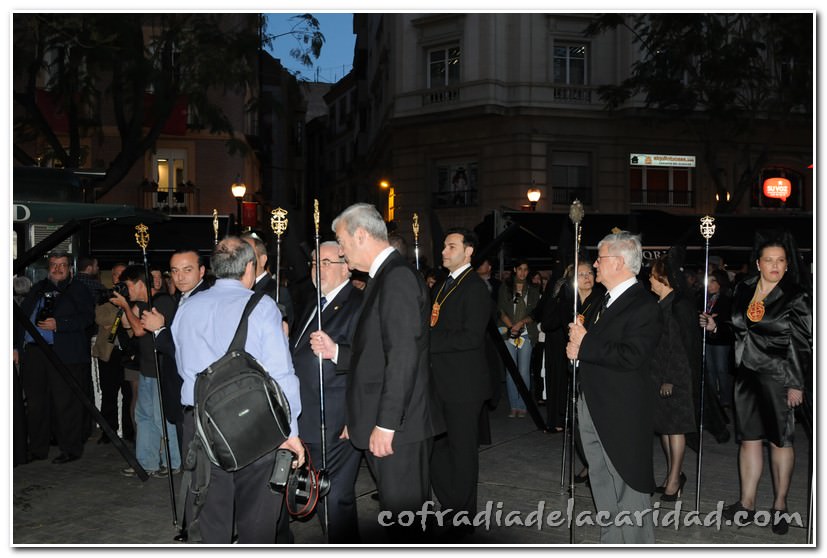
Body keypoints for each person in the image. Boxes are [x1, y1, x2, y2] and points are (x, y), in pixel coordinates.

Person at [310, 203, 444, 543]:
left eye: (341, 242)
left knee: (406, 523)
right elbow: (375, 356)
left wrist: (386, 423)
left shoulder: (396, 277)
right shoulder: (381, 277)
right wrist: (358, 415)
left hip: (400, 427)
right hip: (388, 422)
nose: (341, 252)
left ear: (360, 235)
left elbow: (402, 356)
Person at [172, 236, 305, 544]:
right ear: (249, 268)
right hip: (254, 423)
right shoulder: (262, 306)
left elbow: (183, 368)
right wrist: (291, 432)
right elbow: (281, 373)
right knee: (257, 517)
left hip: (201, 423)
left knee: (210, 516)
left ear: (213, 269)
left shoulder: (187, 308)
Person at [702, 232, 811, 535]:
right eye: (769, 260)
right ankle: (746, 503)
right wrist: (716, 327)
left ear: (787, 265)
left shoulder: (796, 296)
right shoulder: (744, 288)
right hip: (746, 376)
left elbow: (802, 344)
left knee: (780, 441)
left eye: (781, 261)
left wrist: (796, 383)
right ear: (759, 264)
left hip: (779, 377)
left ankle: (780, 506)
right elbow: (739, 329)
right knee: (749, 440)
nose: (775, 266)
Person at [566, 231, 662, 544]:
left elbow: (632, 356)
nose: (595, 264)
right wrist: (577, 353)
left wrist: (585, 344)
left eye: (600, 258)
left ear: (619, 262)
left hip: (621, 411)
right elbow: (595, 348)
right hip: (594, 404)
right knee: (602, 482)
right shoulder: (602, 301)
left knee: (626, 486)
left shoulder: (644, 306)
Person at [290, 241, 364, 543]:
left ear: (347, 268)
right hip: (308, 415)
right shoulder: (313, 302)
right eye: (314, 263)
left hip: (337, 418)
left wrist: (337, 352)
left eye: (326, 263)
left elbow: (372, 361)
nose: (317, 269)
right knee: (318, 492)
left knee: (335, 496)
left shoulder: (359, 304)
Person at [429, 228, 492, 539]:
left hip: (463, 386)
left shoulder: (475, 288)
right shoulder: (444, 284)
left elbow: (471, 337)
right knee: (437, 449)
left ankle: (463, 518)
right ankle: (451, 504)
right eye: (444, 246)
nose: (444, 251)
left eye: (451, 246)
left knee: (462, 451)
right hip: (439, 382)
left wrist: (428, 341)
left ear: (468, 252)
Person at [14, 251, 95, 464]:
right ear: (48, 267)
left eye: (62, 265)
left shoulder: (78, 289)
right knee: (36, 403)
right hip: (34, 353)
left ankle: (70, 449)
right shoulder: (38, 288)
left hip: (64, 353)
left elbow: (87, 318)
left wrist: (60, 325)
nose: (57, 269)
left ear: (70, 268)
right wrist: (16, 347)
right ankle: (37, 449)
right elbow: (20, 318)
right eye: (53, 265)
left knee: (66, 403)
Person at [110, 265, 180, 477]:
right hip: (147, 370)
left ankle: (173, 462)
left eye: (128, 286)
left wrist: (125, 304)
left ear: (140, 284)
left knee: (162, 418)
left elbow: (140, 330)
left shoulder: (162, 301)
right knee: (144, 417)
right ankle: (146, 462)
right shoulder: (140, 304)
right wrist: (125, 305)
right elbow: (128, 327)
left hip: (162, 371)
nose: (127, 290)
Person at [648, 256, 696, 503]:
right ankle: (671, 475)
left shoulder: (676, 305)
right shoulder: (661, 303)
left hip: (674, 376)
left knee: (675, 428)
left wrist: (670, 379)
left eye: (652, 275)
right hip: (659, 374)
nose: (649, 280)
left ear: (662, 278)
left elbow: (678, 346)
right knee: (665, 429)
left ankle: (675, 480)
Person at [91, 262, 135, 444]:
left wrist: (125, 308)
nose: (119, 277)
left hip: (129, 352)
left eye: (123, 274)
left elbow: (136, 321)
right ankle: (108, 432)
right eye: (116, 274)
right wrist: (122, 311)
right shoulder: (105, 295)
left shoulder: (134, 295)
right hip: (109, 352)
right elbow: (100, 318)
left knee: (130, 394)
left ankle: (130, 430)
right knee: (109, 393)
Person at [497, 259, 540, 418]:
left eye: (525, 269)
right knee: (511, 371)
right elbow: (500, 310)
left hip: (526, 333)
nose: (523, 272)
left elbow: (535, 312)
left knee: (523, 371)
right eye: (520, 269)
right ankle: (513, 405)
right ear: (515, 269)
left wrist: (521, 323)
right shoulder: (505, 287)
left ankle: (523, 405)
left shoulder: (533, 289)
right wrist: (511, 327)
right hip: (508, 332)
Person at [241, 232, 295, 329]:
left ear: (262, 260)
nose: (241, 261)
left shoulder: (277, 292)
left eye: (248, 256)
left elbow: (281, 331)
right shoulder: (234, 288)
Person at [701, 268, 735, 409]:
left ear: (720, 283)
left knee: (721, 369)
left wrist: (716, 319)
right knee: (710, 370)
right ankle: (713, 400)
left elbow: (729, 320)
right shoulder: (704, 298)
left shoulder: (727, 299)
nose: (709, 284)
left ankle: (725, 399)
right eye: (708, 281)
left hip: (722, 340)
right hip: (708, 339)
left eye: (713, 281)